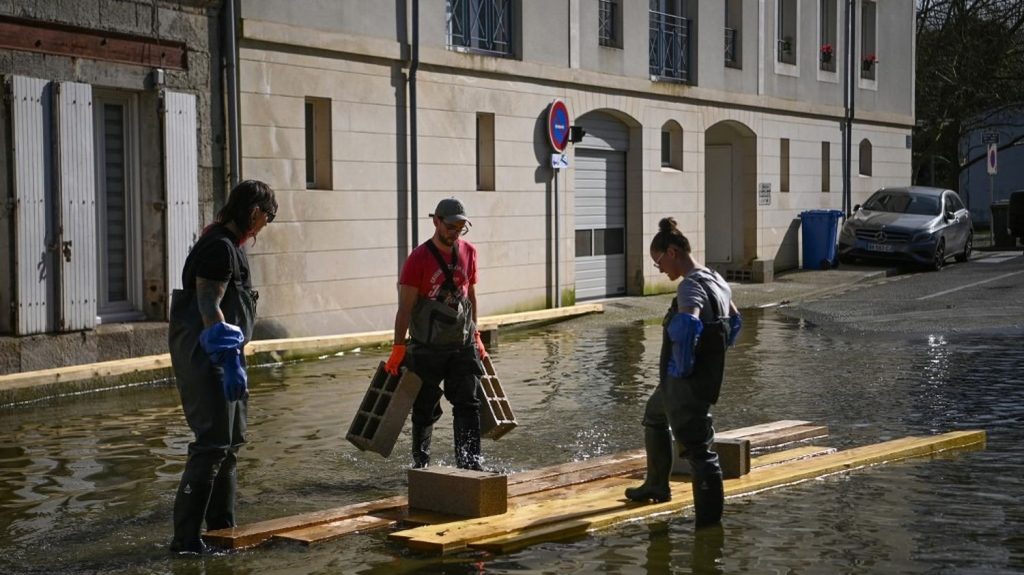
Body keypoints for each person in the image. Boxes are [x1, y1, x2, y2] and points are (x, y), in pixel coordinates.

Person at [167, 179, 277, 553]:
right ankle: (185, 541)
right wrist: (228, 359)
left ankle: (222, 530)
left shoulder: (229, 246)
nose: (266, 225)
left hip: (227, 357)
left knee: (230, 444)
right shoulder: (218, 248)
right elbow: (208, 306)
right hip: (209, 356)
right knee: (211, 444)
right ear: (255, 212)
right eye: (268, 217)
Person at [624, 217, 742, 529]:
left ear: (673, 251)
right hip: (697, 377)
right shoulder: (716, 278)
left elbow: (687, 323)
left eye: (659, 261)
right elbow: (735, 320)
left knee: (699, 450)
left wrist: (684, 365)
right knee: (654, 414)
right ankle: (656, 485)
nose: (659, 269)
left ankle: (709, 526)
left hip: (685, 380)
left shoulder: (691, 286)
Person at [384, 197, 488, 471]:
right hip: (426, 346)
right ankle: (422, 465)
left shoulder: (469, 252)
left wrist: (476, 335)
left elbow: (471, 297)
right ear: (436, 222)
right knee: (424, 408)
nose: (456, 232)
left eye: (461, 227)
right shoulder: (417, 259)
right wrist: (398, 348)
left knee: (468, 402)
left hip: (461, 343)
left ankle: (470, 465)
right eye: (451, 226)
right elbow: (405, 309)